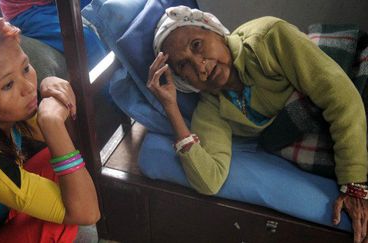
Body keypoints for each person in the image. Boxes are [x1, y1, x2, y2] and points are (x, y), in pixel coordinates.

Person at [147, 5, 368, 243]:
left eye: (197, 45)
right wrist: (171, 108)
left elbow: (341, 97)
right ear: (181, 80)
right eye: (183, 66)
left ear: (215, 30)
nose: (200, 66)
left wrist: (354, 183)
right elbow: (209, 181)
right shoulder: (212, 108)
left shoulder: (268, 38)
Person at [0, 15, 99, 242]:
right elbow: (87, 213)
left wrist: (47, 82)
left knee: (55, 163)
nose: (29, 87)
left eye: (25, 68)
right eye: (8, 85)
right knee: (59, 223)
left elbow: (60, 152)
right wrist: (52, 123)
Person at [0, 0, 108, 70]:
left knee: (108, 6)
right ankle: (112, 97)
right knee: (85, 39)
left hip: (50, 3)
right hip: (26, 13)